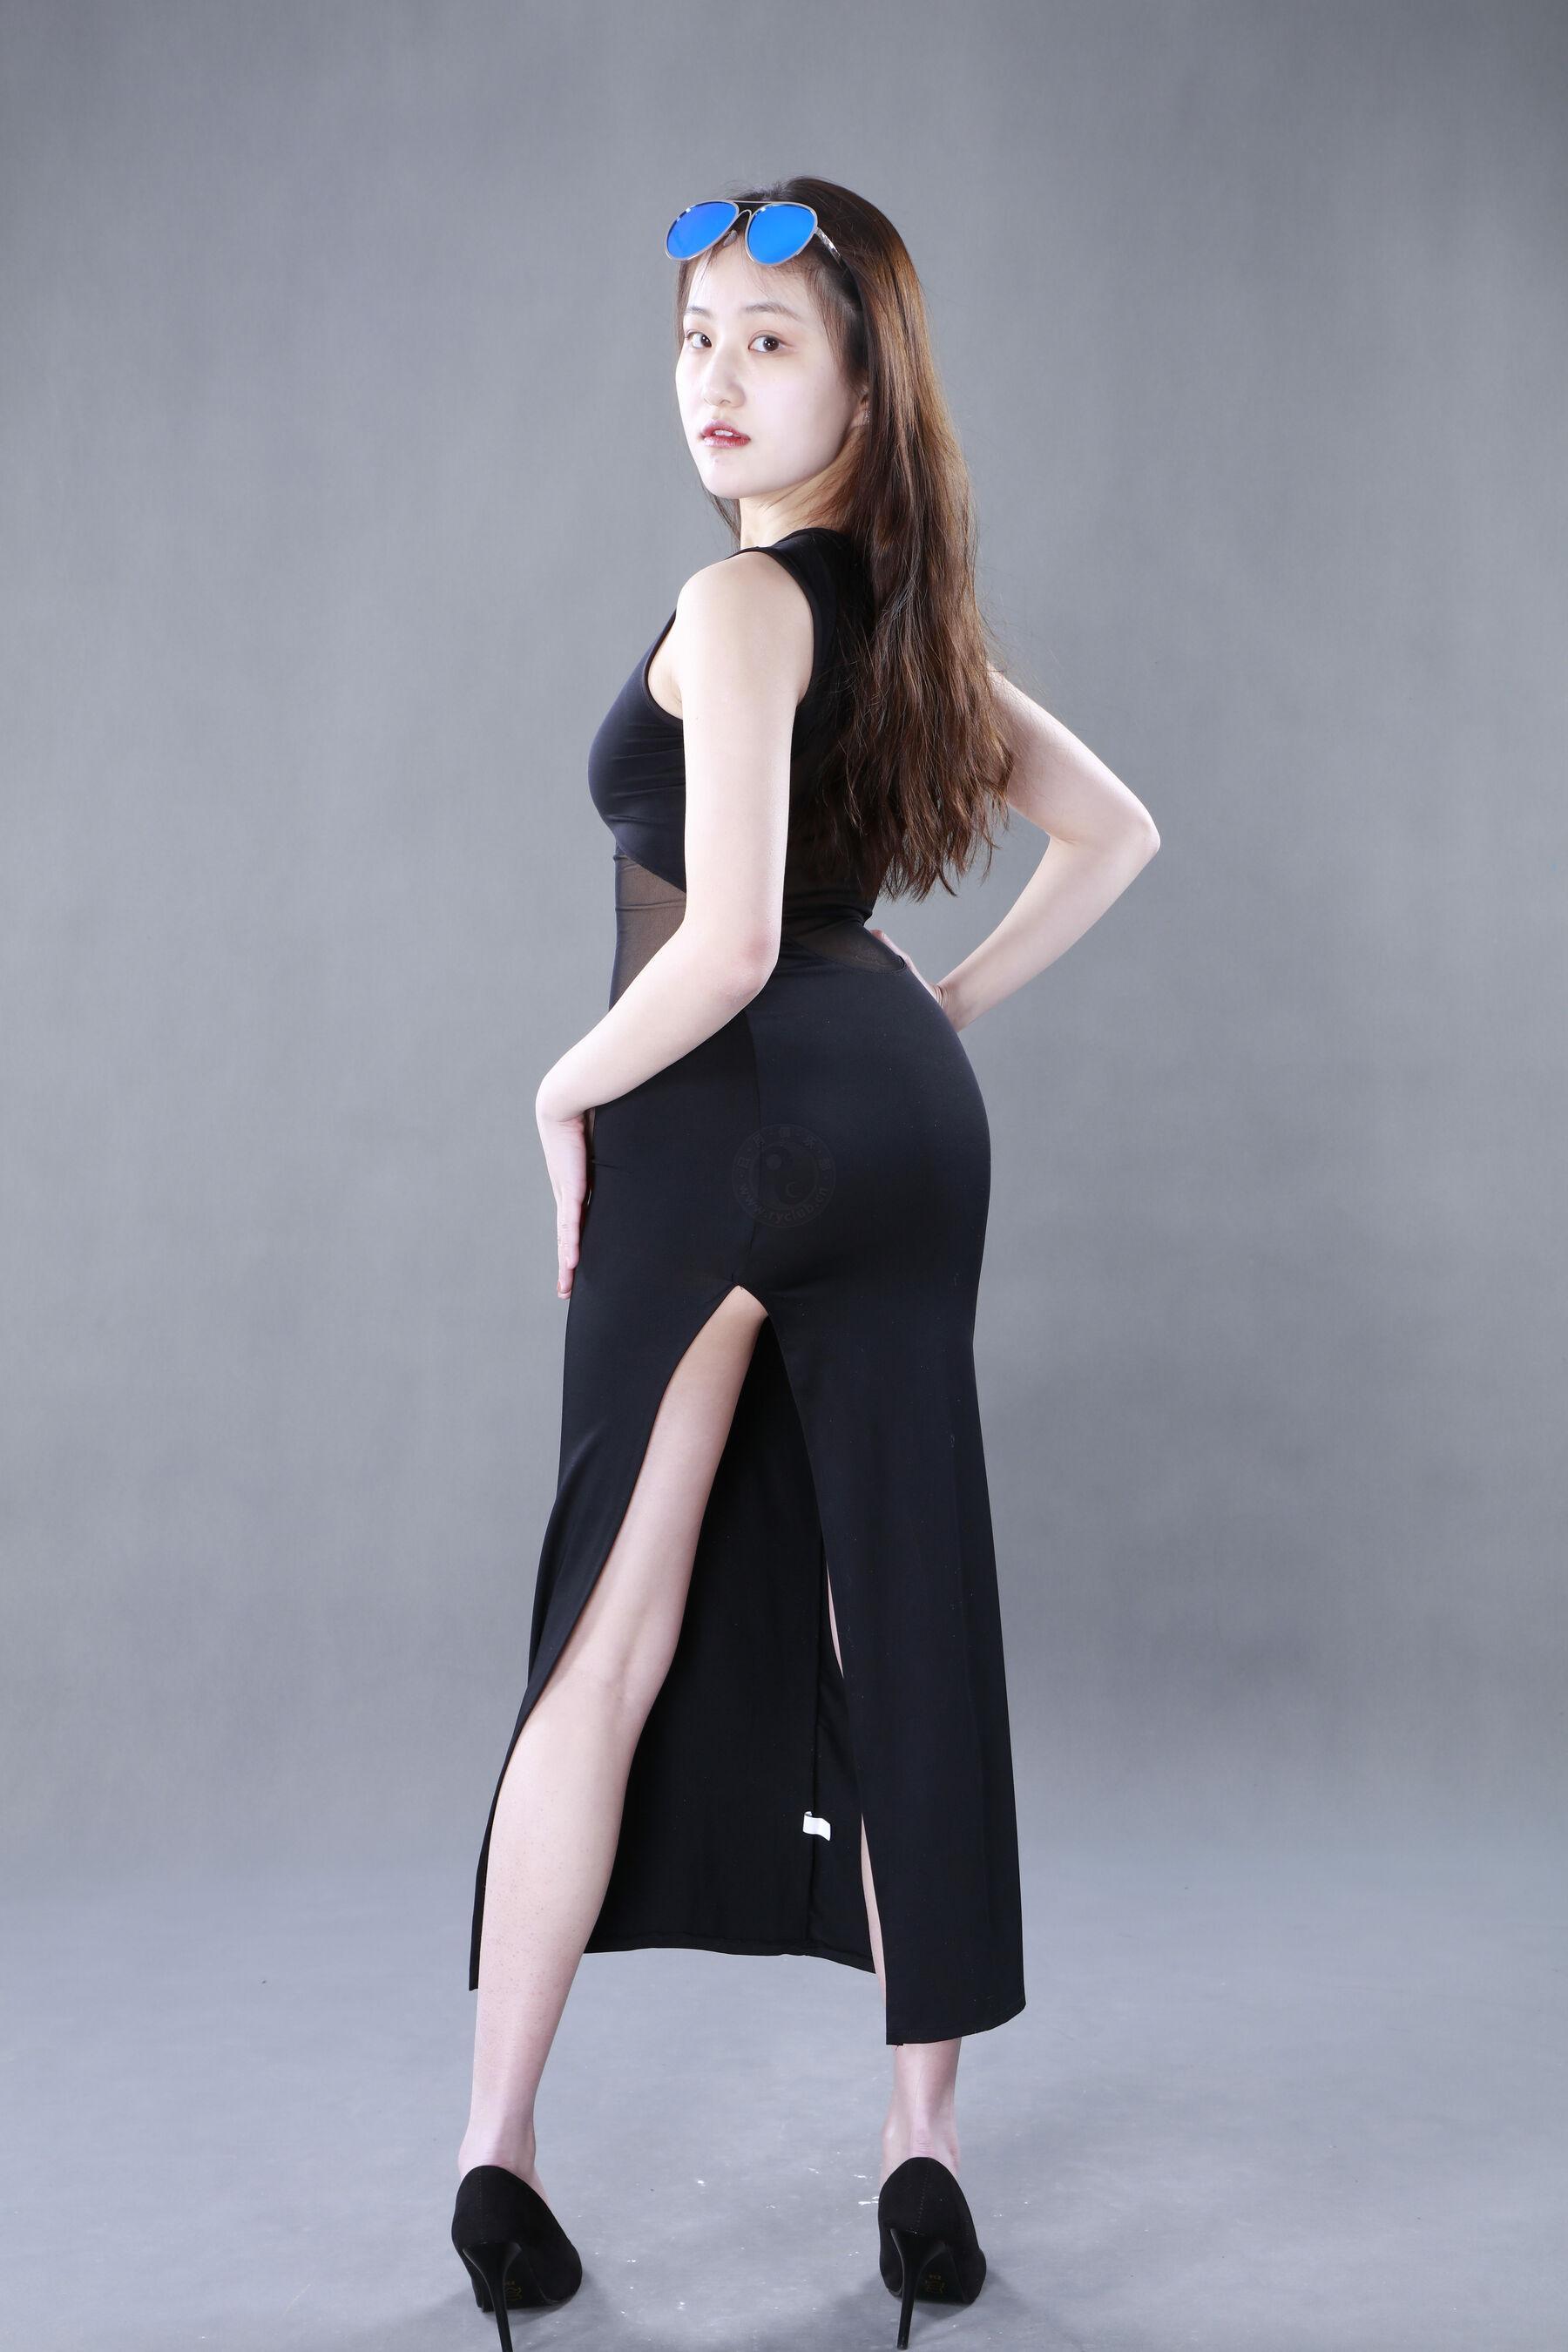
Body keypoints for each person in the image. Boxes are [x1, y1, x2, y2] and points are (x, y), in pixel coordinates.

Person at [449, 179, 1159, 2349]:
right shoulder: (918, 638)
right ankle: (922, 2158)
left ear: (864, 379)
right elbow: (1117, 832)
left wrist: (560, 1086)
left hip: (718, 1124)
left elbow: (734, 942)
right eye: (696, 336)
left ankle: (496, 2155)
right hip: (907, 1135)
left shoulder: (742, 604)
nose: (718, 377)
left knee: (613, 1629)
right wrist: (942, 1013)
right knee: (900, 1616)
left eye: (771, 338)